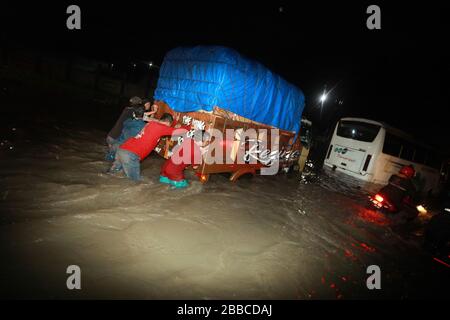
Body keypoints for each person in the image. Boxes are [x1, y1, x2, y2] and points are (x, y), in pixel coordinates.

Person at [111, 113, 189, 181]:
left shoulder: (152, 124)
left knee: (112, 174)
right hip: (131, 154)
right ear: (168, 123)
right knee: (134, 182)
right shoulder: (160, 127)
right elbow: (178, 132)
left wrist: (175, 123)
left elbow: (167, 125)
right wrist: (188, 127)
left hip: (122, 149)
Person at [105, 96, 143, 161]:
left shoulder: (126, 109)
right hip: (116, 139)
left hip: (111, 136)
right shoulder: (133, 112)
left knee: (110, 158)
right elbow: (140, 116)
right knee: (115, 160)